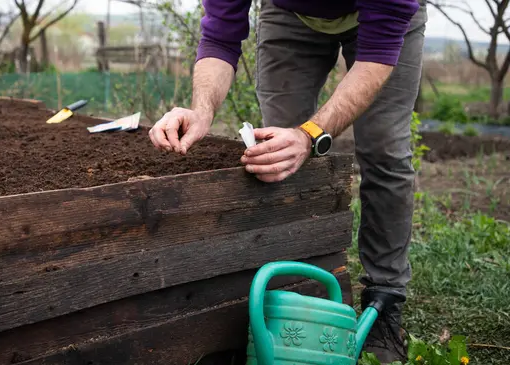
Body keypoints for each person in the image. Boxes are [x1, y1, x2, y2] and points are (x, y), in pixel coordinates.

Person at [149, 0, 427, 362]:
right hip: (291, 15)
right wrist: (202, 110)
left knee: (384, 151)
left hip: (380, 24)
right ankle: (292, 294)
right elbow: (220, 36)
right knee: (277, 154)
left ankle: (384, 301)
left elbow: (376, 56)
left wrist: (310, 134)